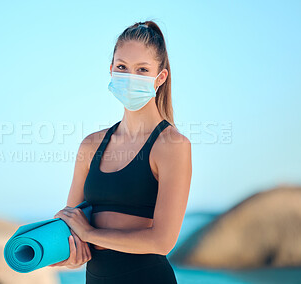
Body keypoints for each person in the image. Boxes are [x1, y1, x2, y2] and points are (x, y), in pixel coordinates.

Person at [49, 20, 192, 283]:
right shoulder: (90, 145)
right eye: (123, 67)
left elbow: (162, 242)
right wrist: (67, 254)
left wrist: (90, 234)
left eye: (142, 70)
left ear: (160, 78)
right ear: (111, 70)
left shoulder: (172, 146)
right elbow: (72, 229)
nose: (129, 78)